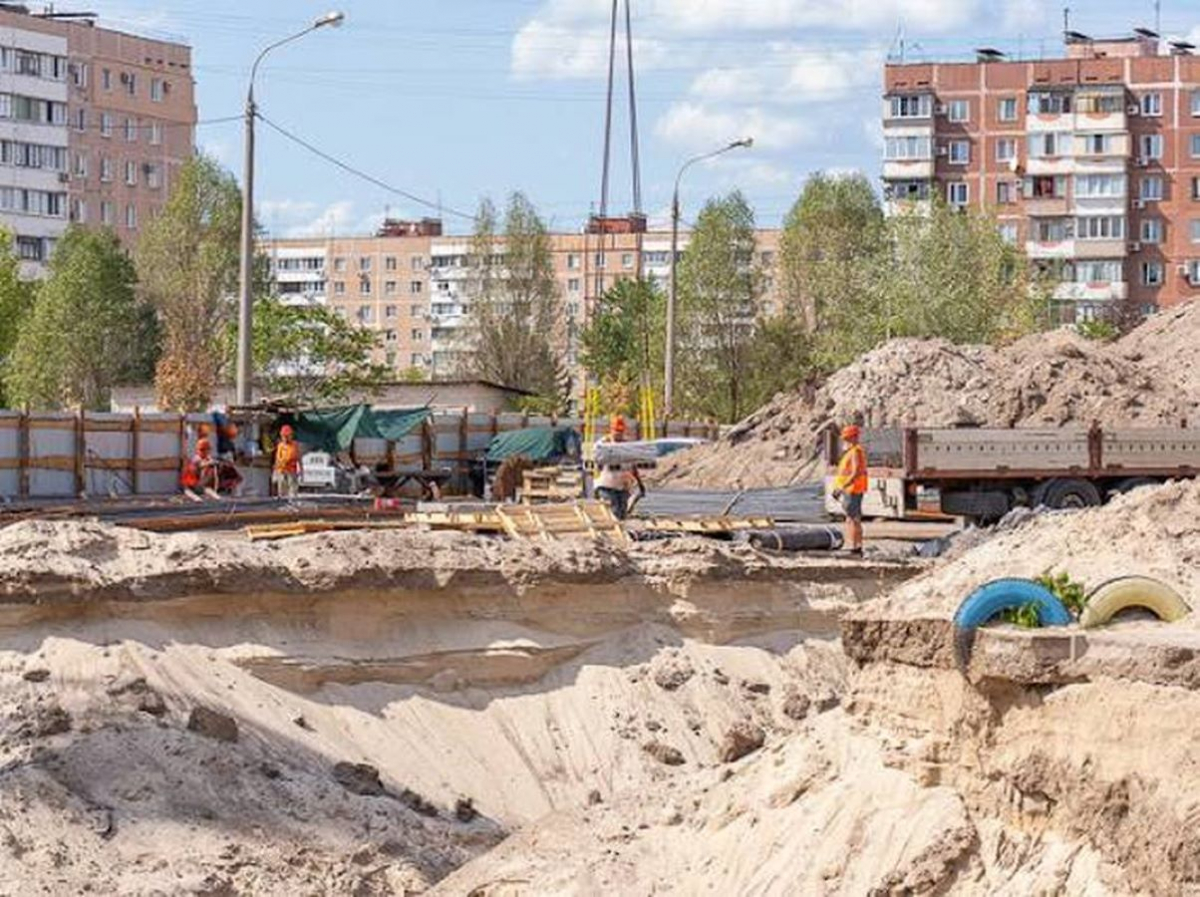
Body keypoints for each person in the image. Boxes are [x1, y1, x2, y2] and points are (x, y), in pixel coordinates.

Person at [595, 415, 645, 520]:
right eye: (616, 431)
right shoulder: (603, 444)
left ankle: (619, 534)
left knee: (622, 516)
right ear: (611, 430)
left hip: (622, 488)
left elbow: (633, 466)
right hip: (606, 487)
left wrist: (640, 484)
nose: (618, 434)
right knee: (614, 515)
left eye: (620, 431)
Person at [831, 424, 868, 556]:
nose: (844, 441)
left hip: (852, 489)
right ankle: (854, 546)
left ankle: (855, 547)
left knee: (853, 519)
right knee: (851, 519)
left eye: (846, 438)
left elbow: (855, 471)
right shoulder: (852, 452)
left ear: (852, 438)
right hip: (850, 489)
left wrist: (841, 487)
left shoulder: (855, 452)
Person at [273, 424, 302, 498]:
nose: (285, 438)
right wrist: (276, 471)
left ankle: (293, 502)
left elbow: (298, 458)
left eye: (287, 436)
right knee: (282, 489)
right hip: (282, 470)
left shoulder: (295, 445)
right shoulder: (281, 446)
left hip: (292, 470)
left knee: (292, 489)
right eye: (284, 436)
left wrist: (301, 469)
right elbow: (277, 459)